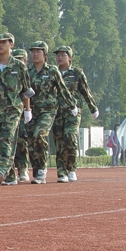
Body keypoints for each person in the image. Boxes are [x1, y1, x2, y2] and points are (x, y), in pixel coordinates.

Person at [0, 33, 34, 186]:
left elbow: (26, 91)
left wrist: (27, 110)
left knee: (7, 139)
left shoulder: (19, 66)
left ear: (11, 45)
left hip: (13, 109)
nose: (0, 45)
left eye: (4, 42)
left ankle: (1, 169)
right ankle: (11, 176)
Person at [26, 41, 77, 185]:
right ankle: (37, 171)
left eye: (38, 51)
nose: (35, 54)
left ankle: (42, 169)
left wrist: (72, 104)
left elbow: (62, 89)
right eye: (33, 51)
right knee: (31, 141)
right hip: (31, 111)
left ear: (45, 54)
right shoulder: (27, 71)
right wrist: (26, 110)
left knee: (39, 134)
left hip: (48, 111)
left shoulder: (52, 71)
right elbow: (24, 91)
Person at [53, 46, 99, 182]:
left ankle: (71, 168)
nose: (60, 57)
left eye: (63, 55)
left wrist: (93, 108)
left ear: (70, 57)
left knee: (70, 137)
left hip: (73, 111)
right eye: (58, 55)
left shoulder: (77, 73)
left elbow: (85, 91)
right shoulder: (53, 72)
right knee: (59, 141)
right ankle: (61, 172)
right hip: (56, 111)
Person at [11, 49, 31, 182]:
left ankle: (23, 167)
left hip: (27, 112)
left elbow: (28, 94)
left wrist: (28, 109)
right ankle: (10, 170)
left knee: (22, 141)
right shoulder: (11, 73)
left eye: (21, 59)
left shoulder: (30, 74)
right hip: (12, 111)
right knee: (10, 141)